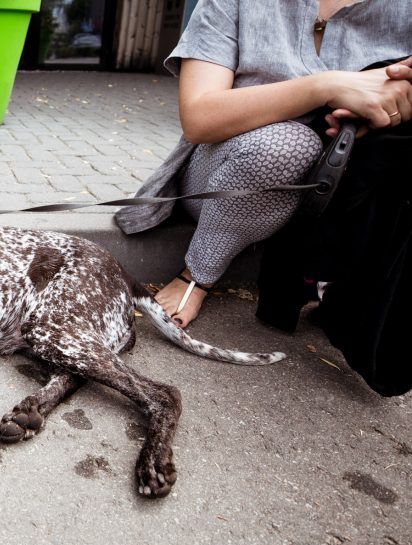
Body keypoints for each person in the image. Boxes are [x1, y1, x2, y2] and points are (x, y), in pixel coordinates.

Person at [116, 0, 412, 328]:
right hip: (230, 168)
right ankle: (198, 273)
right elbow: (200, 118)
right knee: (287, 146)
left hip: (352, 180)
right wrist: (326, 87)